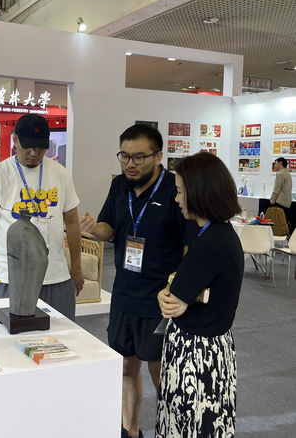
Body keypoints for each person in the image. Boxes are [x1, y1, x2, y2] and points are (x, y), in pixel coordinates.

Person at [79, 124, 193, 438]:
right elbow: (109, 228)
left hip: (160, 300)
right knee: (126, 366)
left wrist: (180, 291)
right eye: (125, 156)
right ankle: (130, 431)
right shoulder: (119, 186)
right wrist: (94, 229)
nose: (130, 164)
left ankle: (172, 430)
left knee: (160, 370)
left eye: (139, 157)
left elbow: (189, 246)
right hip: (124, 295)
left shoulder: (175, 191)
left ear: (158, 156)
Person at [0, 114, 84, 321]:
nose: (34, 153)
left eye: (40, 147)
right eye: (28, 147)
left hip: (56, 278)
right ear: (15, 140)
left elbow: (72, 222)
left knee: (62, 336)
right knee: (11, 338)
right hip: (12, 279)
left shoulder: (60, 174)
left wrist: (76, 267)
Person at [156, 152, 243, 437]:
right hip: (212, 349)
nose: (177, 199)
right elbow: (177, 292)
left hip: (196, 356)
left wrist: (167, 292)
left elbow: (172, 301)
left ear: (199, 193)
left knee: (190, 423)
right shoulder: (220, 234)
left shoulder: (208, 244)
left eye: (181, 191)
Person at [271, 157, 292, 224]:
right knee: (284, 222)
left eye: (276, 163)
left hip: (279, 202)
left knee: (276, 223)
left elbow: (277, 189)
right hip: (287, 203)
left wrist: (273, 202)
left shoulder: (280, 174)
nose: (274, 165)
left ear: (280, 163)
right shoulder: (288, 174)